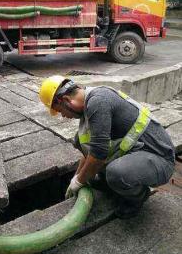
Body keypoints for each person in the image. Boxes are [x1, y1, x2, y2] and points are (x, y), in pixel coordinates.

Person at [39, 75, 175, 219]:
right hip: (137, 150)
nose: (64, 116)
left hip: (160, 159)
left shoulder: (98, 102)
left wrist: (79, 181)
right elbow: (90, 150)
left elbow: (98, 154)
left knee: (116, 173)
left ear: (66, 100)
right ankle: (113, 183)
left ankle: (139, 196)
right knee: (80, 140)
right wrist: (77, 177)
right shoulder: (90, 102)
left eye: (60, 111)